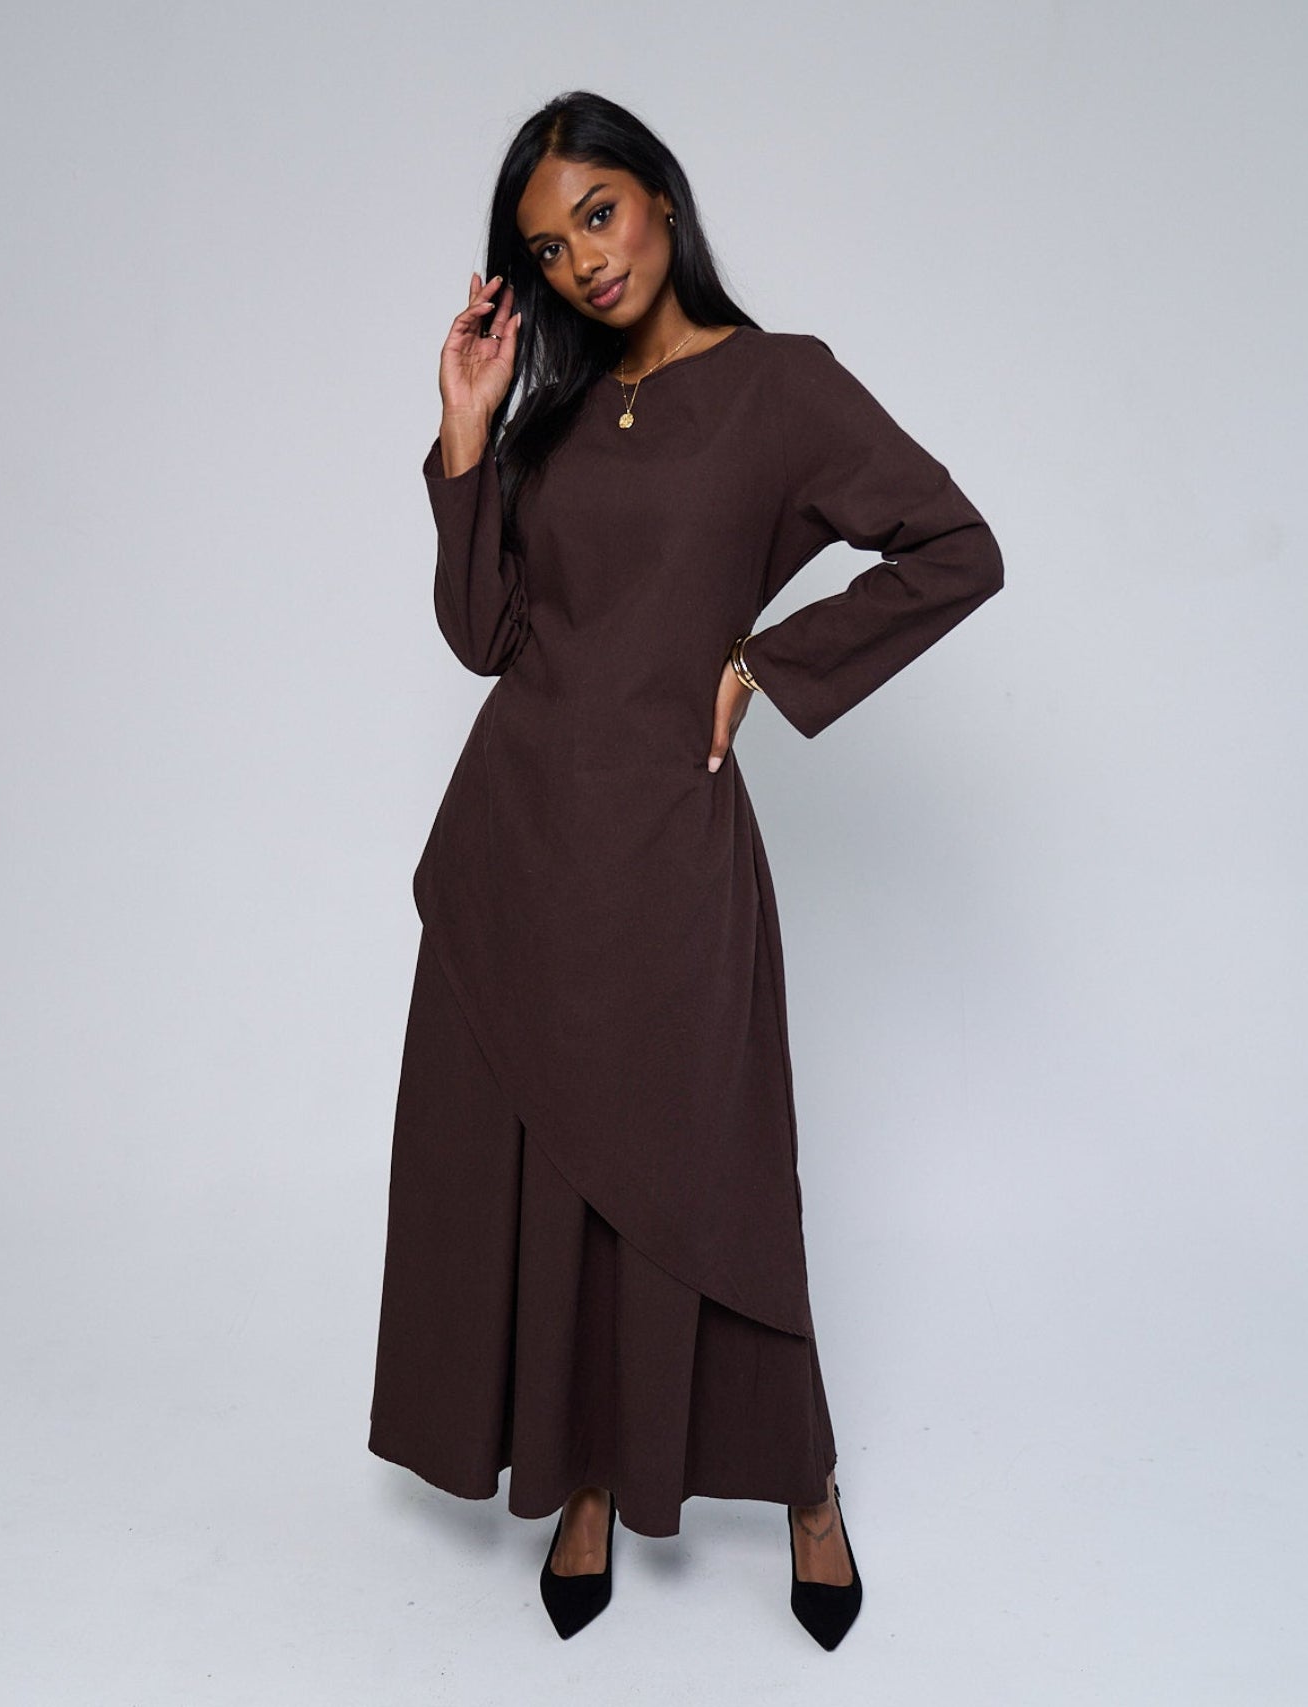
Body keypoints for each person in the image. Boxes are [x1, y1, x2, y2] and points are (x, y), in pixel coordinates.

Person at [368, 89, 1004, 1649]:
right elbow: (483, 637)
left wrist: (767, 665)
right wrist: (467, 429)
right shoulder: (553, 415)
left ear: (658, 192)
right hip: (515, 844)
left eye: (596, 211)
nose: (583, 257)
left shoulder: (782, 387)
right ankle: (583, 1474)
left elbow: (953, 548)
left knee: (707, 1172)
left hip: (665, 842)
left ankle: (803, 1485)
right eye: (546, 244)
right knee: (555, 1173)